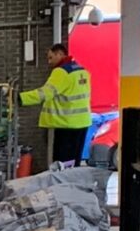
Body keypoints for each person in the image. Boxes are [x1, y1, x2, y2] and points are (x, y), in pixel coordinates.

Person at [20, 38, 91, 166]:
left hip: (65, 124)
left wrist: (20, 98)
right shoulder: (82, 70)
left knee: (61, 164)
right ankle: (70, 184)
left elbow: (45, 93)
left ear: (59, 54)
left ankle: (61, 185)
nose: (49, 62)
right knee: (74, 162)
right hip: (82, 122)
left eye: (51, 58)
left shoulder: (61, 72)